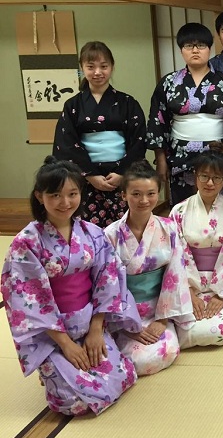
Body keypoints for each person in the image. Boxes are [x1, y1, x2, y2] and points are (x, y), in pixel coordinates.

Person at [1, 157, 140, 415]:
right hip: (51, 333)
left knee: (122, 376)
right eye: (55, 195)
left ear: (81, 194)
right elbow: (28, 299)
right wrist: (66, 344)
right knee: (69, 402)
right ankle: (52, 366)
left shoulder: (92, 233)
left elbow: (108, 278)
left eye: (72, 194)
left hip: (89, 322)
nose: (65, 202)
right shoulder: (26, 242)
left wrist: (96, 330)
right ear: (39, 196)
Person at [104, 159, 193, 375]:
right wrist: (128, 326)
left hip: (158, 308)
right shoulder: (110, 234)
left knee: (164, 352)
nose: (144, 200)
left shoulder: (169, 228)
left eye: (151, 193)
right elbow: (107, 284)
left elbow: (175, 274)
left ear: (158, 193)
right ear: (123, 195)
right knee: (134, 359)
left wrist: (162, 319)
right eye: (136, 194)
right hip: (125, 314)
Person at [53, 41, 146, 227]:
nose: (97, 72)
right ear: (81, 68)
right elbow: (66, 143)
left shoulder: (128, 102)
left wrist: (122, 172)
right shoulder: (73, 105)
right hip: (86, 178)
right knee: (87, 229)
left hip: (122, 176)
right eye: (91, 67)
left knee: (125, 229)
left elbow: (139, 140)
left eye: (103, 66)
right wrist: (90, 174)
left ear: (112, 67)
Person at [146, 22, 223, 206]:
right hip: (180, 154)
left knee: (218, 206)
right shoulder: (168, 82)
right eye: (189, 46)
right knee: (182, 207)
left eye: (201, 45)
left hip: (217, 153)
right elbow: (157, 120)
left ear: (209, 48)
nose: (195, 50)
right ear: (181, 50)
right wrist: (161, 159)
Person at [170, 146, 223, 348]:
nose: (210, 183)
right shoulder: (179, 211)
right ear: (195, 176)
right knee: (187, 331)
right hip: (189, 286)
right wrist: (189, 292)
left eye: (216, 178)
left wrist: (221, 295)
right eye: (204, 176)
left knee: (221, 330)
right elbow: (175, 253)